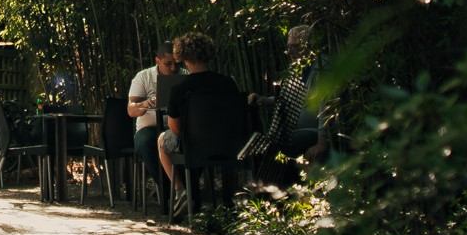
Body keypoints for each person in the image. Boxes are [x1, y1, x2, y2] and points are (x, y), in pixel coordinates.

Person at [157, 31, 241, 202]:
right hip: (230, 144)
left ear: (183, 57)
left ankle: (181, 190)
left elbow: (175, 129)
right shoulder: (228, 83)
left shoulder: (180, 89)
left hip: (194, 145)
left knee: (161, 140)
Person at [243, 24, 330, 168]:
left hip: (311, 131)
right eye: (288, 47)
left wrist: (322, 143)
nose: (289, 52)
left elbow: (325, 106)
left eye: (294, 47)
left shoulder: (322, 66)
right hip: (291, 129)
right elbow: (287, 99)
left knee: (278, 146)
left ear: (309, 45)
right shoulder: (297, 68)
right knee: (258, 146)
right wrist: (265, 100)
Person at [126, 40, 179, 201]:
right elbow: (131, 110)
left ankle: (185, 190)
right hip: (148, 128)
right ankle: (169, 193)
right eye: (168, 64)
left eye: (176, 64)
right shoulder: (143, 77)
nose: (173, 68)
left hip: (176, 127)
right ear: (158, 61)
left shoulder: (184, 74)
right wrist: (146, 103)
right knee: (146, 142)